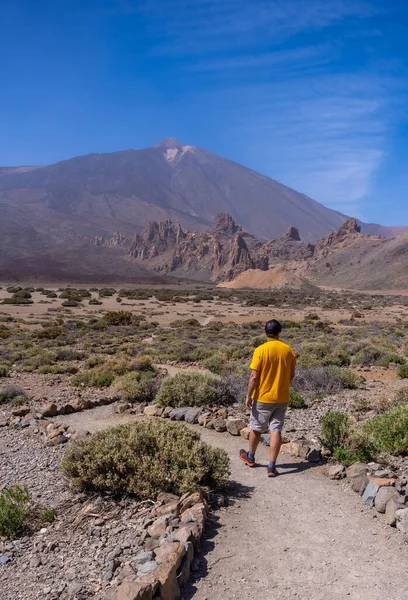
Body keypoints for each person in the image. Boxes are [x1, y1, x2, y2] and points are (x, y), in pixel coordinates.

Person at [239, 319, 296, 477]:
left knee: (256, 428)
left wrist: (249, 395)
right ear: (279, 332)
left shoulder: (260, 350)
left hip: (263, 396)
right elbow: (291, 374)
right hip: (281, 397)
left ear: (265, 332)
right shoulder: (288, 350)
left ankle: (250, 457)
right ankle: (271, 466)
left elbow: (253, 377)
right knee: (275, 430)